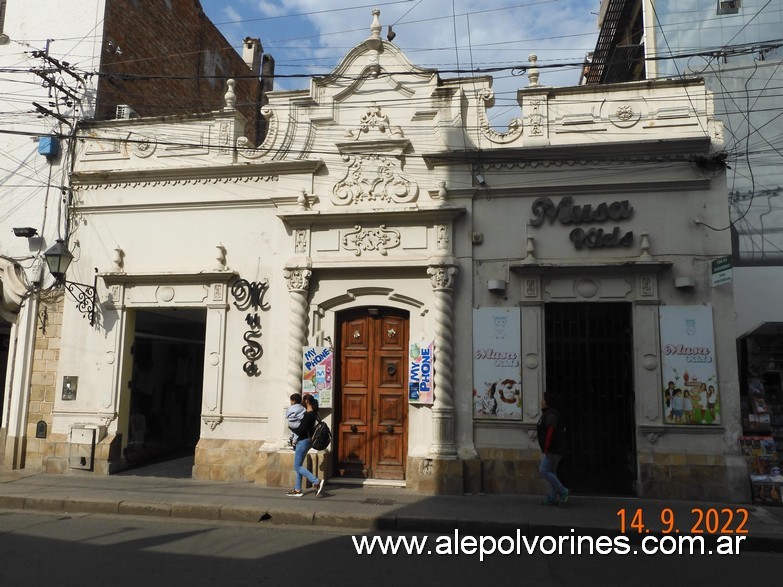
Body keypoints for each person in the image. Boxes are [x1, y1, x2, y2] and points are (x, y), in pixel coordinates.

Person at [286, 394, 326, 497]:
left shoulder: (308, 415)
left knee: (297, 466)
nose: (302, 402)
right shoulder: (312, 414)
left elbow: (300, 430)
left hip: (303, 441)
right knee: (299, 465)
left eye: (303, 400)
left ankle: (316, 481)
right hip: (306, 441)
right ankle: (298, 489)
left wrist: (290, 427)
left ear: (307, 401)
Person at [537, 392, 568, 506]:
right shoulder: (549, 414)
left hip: (553, 449)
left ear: (548, 402)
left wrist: (546, 448)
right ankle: (552, 496)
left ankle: (563, 491)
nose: (541, 402)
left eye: (543, 400)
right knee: (552, 472)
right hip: (554, 448)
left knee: (543, 470)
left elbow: (550, 433)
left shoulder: (551, 415)